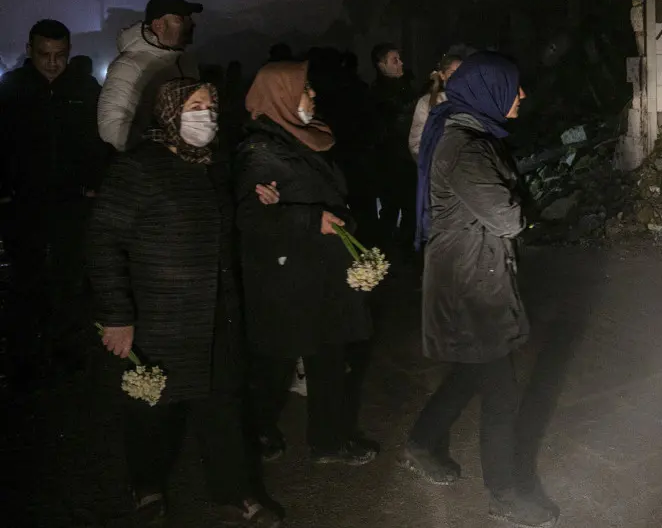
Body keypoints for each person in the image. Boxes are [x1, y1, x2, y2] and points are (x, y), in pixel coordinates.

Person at [87, 79, 280, 526]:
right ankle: (147, 486)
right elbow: (103, 242)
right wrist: (117, 316)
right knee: (153, 411)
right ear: (169, 111)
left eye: (211, 106)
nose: (206, 115)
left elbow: (226, 228)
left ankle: (236, 493)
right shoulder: (138, 168)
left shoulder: (214, 166)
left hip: (217, 313)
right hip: (160, 317)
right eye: (194, 106)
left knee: (225, 407)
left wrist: (258, 202)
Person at [399, 52, 557, 527]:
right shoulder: (466, 147)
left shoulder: (470, 132)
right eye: (513, 88)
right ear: (487, 91)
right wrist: (525, 207)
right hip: (470, 282)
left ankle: (423, 441)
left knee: (474, 370)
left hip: (470, 272)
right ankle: (505, 491)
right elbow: (507, 217)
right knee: (501, 391)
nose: (522, 96)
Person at [234, 61, 378, 466]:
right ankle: (256, 432)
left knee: (328, 357)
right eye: (304, 90)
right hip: (287, 278)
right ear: (280, 95)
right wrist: (310, 219)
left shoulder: (300, 138)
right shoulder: (260, 151)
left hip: (319, 272)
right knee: (275, 364)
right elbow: (248, 217)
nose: (312, 97)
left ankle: (329, 441)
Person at [0, 19, 110, 380]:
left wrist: (94, 181)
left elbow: (99, 142)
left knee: (69, 279)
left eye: (60, 55)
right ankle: (25, 358)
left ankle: (67, 352)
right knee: (26, 281)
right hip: (24, 202)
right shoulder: (12, 89)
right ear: (30, 51)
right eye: (45, 55)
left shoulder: (84, 88)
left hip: (72, 202)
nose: (52, 63)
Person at [98, 0, 201, 151]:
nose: (191, 24)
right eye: (180, 20)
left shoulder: (185, 64)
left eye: (190, 19)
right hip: (152, 171)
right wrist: (161, 150)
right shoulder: (129, 66)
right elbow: (112, 130)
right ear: (159, 25)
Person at [369, 43, 416, 248]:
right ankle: (388, 257)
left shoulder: (403, 86)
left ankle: (402, 254)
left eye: (400, 58)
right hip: (391, 163)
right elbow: (399, 118)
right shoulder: (379, 93)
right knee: (392, 210)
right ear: (381, 65)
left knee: (409, 209)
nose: (401, 63)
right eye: (394, 60)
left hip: (405, 160)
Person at [407, 52, 464, 161]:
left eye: (462, 73)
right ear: (442, 75)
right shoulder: (426, 102)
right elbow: (416, 144)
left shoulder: (473, 101)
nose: (459, 78)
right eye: (453, 73)